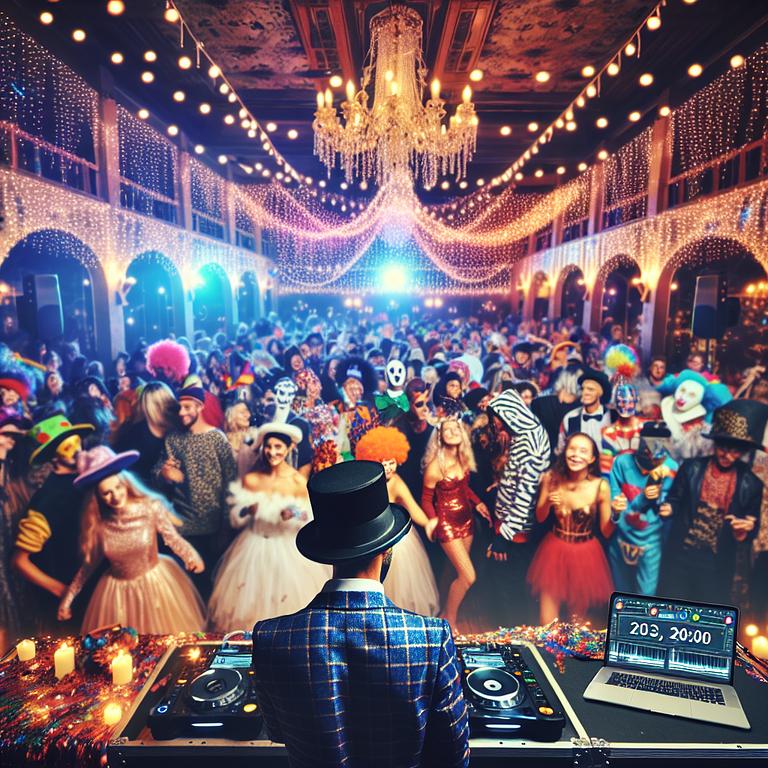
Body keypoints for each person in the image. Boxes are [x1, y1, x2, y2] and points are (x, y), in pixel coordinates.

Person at [251, 461, 469, 768]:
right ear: (387, 548)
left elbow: (277, 732)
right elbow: (453, 756)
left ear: (326, 551)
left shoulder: (270, 639)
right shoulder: (432, 639)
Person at [58, 446, 206, 634]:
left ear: (126, 483)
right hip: (118, 596)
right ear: (97, 498)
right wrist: (68, 599)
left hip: (155, 586)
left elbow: (172, 538)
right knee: (123, 647)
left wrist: (191, 556)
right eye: (106, 493)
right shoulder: (100, 527)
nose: (115, 496)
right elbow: (88, 567)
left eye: (118, 487)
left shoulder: (150, 508)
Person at [207, 423, 331, 630]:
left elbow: (308, 518)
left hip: (286, 552)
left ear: (289, 448)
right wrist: (248, 510)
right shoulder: (252, 479)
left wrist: (291, 514)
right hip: (252, 547)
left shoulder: (297, 482)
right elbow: (235, 516)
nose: (272, 452)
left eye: (278, 447)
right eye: (269, 446)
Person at [661, 401, 764, 605]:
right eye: (723, 448)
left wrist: (743, 531)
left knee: (707, 611)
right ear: (715, 444)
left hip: (717, 560)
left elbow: (752, 527)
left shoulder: (752, 484)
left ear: (744, 452)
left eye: (735, 451)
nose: (727, 456)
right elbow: (674, 499)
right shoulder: (690, 468)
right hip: (681, 554)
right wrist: (669, 508)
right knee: (673, 607)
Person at [153, 376, 237, 596]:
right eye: (179, 408)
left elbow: (232, 484)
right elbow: (157, 473)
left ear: (200, 407)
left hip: (213, 527)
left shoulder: (217, 439)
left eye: (188, 407)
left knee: (211, 590)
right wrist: (164, 474)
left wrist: (225, 528)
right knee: (186, 590)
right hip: (183, 527)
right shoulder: (173, 439)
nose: (182, 413)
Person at [11, 414, 94, 633]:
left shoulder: (84, 480)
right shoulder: (48, 499)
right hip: (71, 604)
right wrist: (62, 591)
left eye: (76, 442)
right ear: (53, 456)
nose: (76, 450)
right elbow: (19, 561)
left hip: (94, 588)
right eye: (67, 447)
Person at [528, 433, 614, 624]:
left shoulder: (601, 486)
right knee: (547, 622)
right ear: (565, 452)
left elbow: (606, 531)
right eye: (572, 449)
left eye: (583, 451)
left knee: (577, 623)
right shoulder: (551, 478)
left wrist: (616, 514)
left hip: (585, 555)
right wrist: (548, 502)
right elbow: (540, 517)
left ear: (592, 458)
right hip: (554, 551)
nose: (576, 454)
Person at [355, 426, 439, 616]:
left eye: (391, 462)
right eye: (382, 463)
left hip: (395, 539)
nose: (388, 467)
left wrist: (427, 523)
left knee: (401, 583)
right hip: (372, 539)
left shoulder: (397, 482)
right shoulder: (367, 481)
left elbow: (412, 507)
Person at [484, 388, 551, 625]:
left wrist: (504, 536)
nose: (494, 423)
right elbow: (521, 479)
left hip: (516, 532)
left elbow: (525, 495)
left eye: (495, 417)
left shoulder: (529, 442)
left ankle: (512, 636)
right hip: (511, 527)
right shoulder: (526, 434)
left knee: (510, 590)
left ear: (508, 414)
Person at [421, 418, 490, 627]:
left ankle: (442, 610)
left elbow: (464, 488)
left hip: (466, 521)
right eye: (447, 430)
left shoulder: (463, 457)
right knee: (468, 576)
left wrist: (478, 503)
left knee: (453, 570)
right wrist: (433, 520)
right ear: (440, 437)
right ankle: (449, 620)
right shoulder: (435, 466)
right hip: (447, 524)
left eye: (456, 428)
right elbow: (426, 499)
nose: (452, 432)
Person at [608, 422, 678, 595]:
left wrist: (668, 508)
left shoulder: (671, 468)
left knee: (646, 594)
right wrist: (618, 509)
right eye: (648, 446)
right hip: (620, 537)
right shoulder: (622, 463)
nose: (652, 453)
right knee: (619, 591)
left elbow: (672, 503)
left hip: (651, 542)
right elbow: (614, 504)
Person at [394, 377, 434, 501]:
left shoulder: (433, 430)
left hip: (427, 490)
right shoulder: (397, 430)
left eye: (428, 404)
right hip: (404, 490)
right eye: (419, 404)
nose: (426, 409)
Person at [558, 368, 612, 452]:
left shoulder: (612, 417)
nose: (584, 393)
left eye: (590, 389)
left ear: (600, 393)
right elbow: (561, 450)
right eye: (582, 389)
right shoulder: (569, 418)